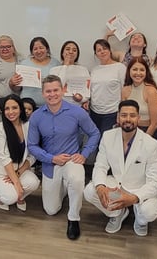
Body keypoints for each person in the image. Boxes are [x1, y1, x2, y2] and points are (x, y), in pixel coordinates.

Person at [28, 75, 101, 240]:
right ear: (43, 93)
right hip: (50, 163)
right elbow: (32, 145)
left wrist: (84, 154)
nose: (52, 94)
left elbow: (94, 133)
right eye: (48, 91)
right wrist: (51, 158)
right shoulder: (37, 116)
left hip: (71, 160)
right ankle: (65, 190)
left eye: (56, 90)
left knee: (76, 179)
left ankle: (73, 218)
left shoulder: (77, 112)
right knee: (51, 210)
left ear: (63, 90)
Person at [84, 100, 157, 236]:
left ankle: (141, 220)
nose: (128, 119)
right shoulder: (108, 136)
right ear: (118, 117)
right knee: (90, 191)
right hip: (118, 185)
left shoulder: (151, 144)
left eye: (132, 115)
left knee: (149, 212)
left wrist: (134, 198)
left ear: (138, 118)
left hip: (140, 188)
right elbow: (101, 166)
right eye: (124, 115)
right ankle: (117, 213)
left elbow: (155, 182)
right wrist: (100, 186)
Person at [0, 95, 40, 211]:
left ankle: (19, 195)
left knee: (34, 183)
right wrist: (16, 183)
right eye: (7, 109)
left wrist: (18, 173)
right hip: (1, 173)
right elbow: (4, 158)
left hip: (19, 169)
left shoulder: (28, 126)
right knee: (10, 197)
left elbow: (32, 155)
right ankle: (1, 197)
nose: (11, 112)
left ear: (21, 109)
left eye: (14, 108)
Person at [121, 57, 157, 145]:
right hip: (131, 131)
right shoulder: (125, 90)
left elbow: (155, 123)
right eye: (135, 69)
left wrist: (141, 142)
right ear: (129, 71)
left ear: (146, 72)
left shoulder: (151, 91)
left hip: (150, 133)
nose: (138, 73)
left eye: (142, 70)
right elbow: (123, 115)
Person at [88, 39, 126, 133]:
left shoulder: (120, 67)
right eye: (99, 50)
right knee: (95, 138)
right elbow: (91, 90)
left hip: (112, 112)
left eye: (105, 48)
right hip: (94, 112)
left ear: (110, 50)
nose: (102, 52)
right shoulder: (94, 70)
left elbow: (125, 90)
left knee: (106, 139)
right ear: (96, 54)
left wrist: (121, 112)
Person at [19, 37, 61, 106]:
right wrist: (13, 82)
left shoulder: (56, 64)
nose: (38, 51)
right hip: (27, 106)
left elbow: (60, 85)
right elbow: (17, 88)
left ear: (47, 49)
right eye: (35, 49)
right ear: (32, 52)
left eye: (41, 48)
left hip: (50, 105)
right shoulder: (24, 64)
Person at [50, 40, 90, 106]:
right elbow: (56, 87)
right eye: (67, 49)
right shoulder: (54, 70)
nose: (71, 52)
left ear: (77, 55)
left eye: (74, 50)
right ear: (62, 53)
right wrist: (65, 66)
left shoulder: (83, 69)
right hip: (59, 105)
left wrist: (82, 99)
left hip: (78, 106)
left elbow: (87, 90)